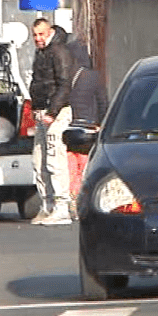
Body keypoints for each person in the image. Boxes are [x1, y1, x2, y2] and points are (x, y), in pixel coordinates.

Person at [29, 18, 75, 226]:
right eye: (35, 35)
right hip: (42, 111)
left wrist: (53, 111)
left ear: (49, 32)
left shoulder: (59, 51)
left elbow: (65, 84)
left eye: (41, 34)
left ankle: (62, 207)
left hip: (57, 112)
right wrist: (35, 108)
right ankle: (46, 204)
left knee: (55, 159)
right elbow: (38, 82)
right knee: (38, 160)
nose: (38, 39)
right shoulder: (41, 53)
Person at [66, 40, 108, 220]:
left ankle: (72, 200)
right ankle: (83, 202)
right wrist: (103, 123)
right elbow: (103, 102)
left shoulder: (66, 76)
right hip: (89, 129)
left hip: (69, 129)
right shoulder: (94, 77)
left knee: (70, 169)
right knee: (85, 167)